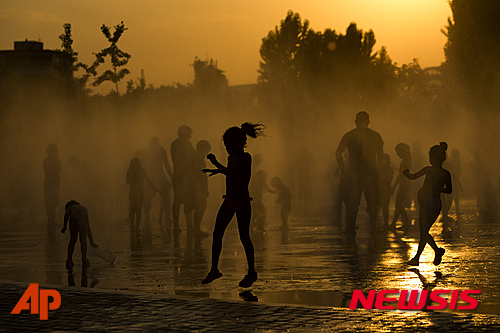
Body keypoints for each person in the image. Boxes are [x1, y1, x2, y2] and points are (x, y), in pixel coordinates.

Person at [201, 122, 265, 288]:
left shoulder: (246, 158)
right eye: (226, 146)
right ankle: (214, 269)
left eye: (229, 145)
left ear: (239, 144)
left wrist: (216, 165)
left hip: (243, 202)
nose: (227, 149)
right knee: (217, 233)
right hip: (229, 200)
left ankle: (252, 272)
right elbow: (230, 174)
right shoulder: (231, 158)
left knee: (244, 237)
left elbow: (234, 173)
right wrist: (219, 170)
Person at [335, 111, 384, 235]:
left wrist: (344, 169)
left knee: (354, 204)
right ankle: (373, 227)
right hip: (369, 175)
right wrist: (381, 174)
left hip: (356, 175)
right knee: (371, 203)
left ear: (356, 122)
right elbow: (381, 157)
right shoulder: (374, 135)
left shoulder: (350, 135)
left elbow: (338, 153)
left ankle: (351, 228)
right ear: (368, 122)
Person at [404, 142, 452, 266]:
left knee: (424, 232)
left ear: (432, 158)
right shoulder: (446, 173)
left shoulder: (428, 170)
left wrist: (406, 173)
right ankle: (417, 258)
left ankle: (436, 250)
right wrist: (438, 189)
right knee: (424, 231)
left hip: (426, 203)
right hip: (436, 203)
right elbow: (449, 190)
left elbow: (413, 177)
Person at [140, 137, 173, 228]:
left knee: (153, 197)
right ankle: (164, 216)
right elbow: (166, 164)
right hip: (155, 174)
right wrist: (171, 177)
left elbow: (166, 163)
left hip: (153, 175)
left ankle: (159, 216)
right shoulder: (159, 150)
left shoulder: (148, 150)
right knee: (163, 196)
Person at [183, 140, 212, 238]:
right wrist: (202, 189)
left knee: (190, 207)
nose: (206, 153)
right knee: (201, 207)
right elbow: (199, 176)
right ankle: (196, 229)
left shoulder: (193, 158)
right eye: (206, 150)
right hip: (196, 187)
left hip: (190, 187)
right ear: (202, 149)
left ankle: (191, 228)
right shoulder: (199, 159)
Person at [171, 125, 196, 234]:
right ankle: (180, 226)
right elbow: (178, 160)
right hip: (181, 176)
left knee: (183, 201)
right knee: (180, 201)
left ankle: (187, 226)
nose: (190, 136)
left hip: (183, 175)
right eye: (189, 133)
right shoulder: (178, 144)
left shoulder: (185, 143)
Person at [61, 200, 98, 269]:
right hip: (83, 221)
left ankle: (69, 259)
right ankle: (84, 259)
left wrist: (64, 226)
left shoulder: (70, 207)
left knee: (73, 240)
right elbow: (88, 227)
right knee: (83, 241)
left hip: (73, 220)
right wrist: (91, 242)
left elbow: (66, 215)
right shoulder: (83, 208)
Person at [126, 158, 156, 231]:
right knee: (137, 209)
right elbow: (148, 179)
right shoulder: (140, 171)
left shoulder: (131, 171)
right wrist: (153, 187)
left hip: (134, 192)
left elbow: (127, 182)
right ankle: (135, 227)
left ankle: (134, 227)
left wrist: (153, 187)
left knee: (134, 209)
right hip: (138, 192)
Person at [390, 143, 412, 231]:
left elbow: (401, 176)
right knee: (399, 205)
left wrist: (394, 187)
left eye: (398, 152)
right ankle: (403, 224)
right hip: (405, 185)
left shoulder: (406, 161)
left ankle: (399, 224)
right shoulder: (407, 160)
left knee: (399, 205)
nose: (397, 154)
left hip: (404, 185)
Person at [43, 144, 61, 231]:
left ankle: (52, 220)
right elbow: (47, 172)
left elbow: (59, 171)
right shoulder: (47, 161)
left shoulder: (56, 161)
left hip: (55, 184)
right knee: (49, 203)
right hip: (50, 184)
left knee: (54, 203)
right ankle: (49, 220)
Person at [378, 153, 394, 229]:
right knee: (378, 207)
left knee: (385, 207)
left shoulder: (389, 170)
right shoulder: (380, 169)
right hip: (380, 190)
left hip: (386, 190)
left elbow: (388, 180)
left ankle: (386, 223)